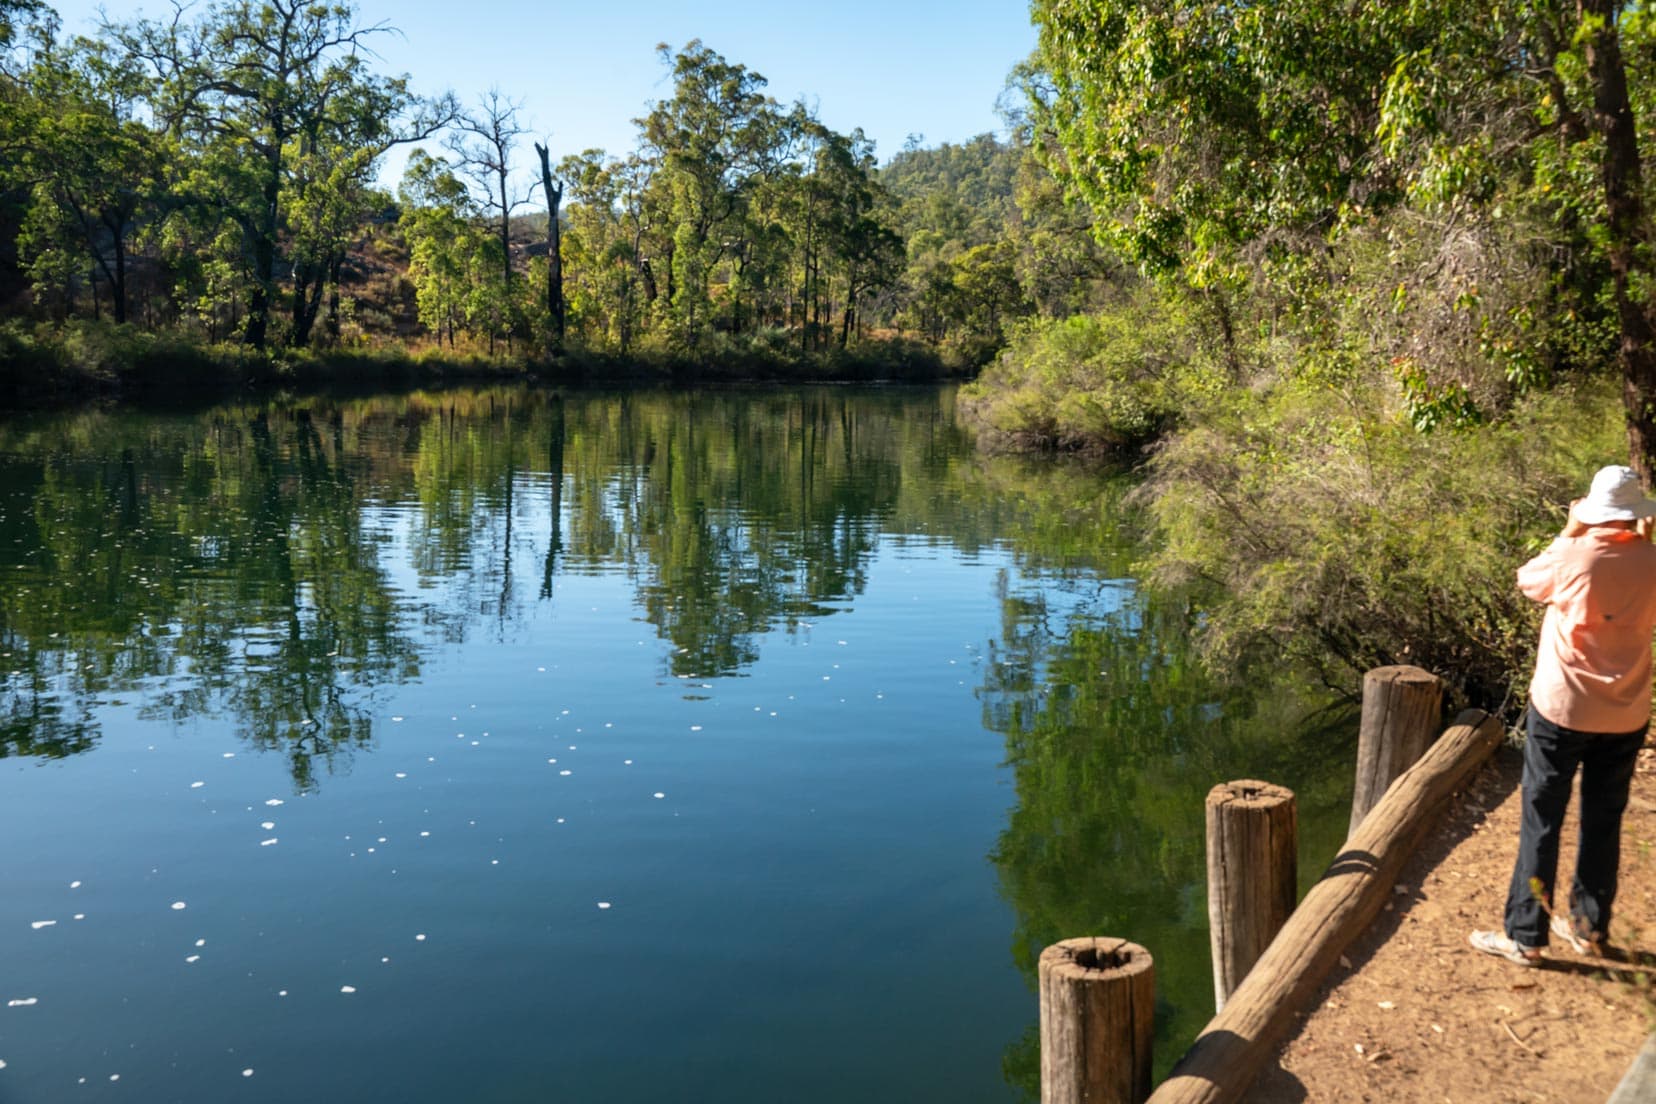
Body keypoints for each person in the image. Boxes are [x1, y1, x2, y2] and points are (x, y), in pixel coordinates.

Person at [1471, 464, 1656, 966]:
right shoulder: (1653, 561)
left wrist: (1569, 531)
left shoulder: (1572, 554)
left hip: (1561, 710)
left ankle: (1526, 936)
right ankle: (1590, 928)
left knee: (1542, 819)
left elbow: (1527, 580)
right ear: (1637, 515)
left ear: (1591, 511)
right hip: (1625, 713)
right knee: (1603, 819)